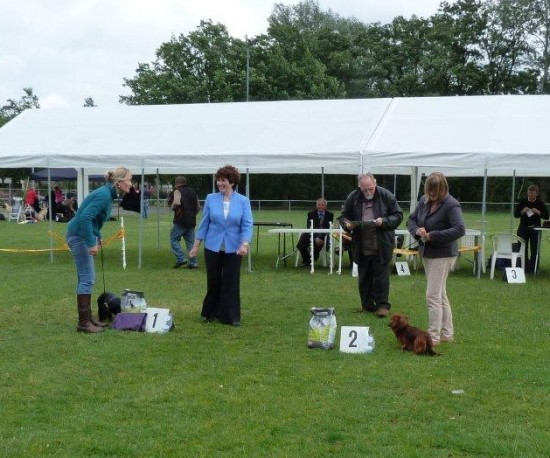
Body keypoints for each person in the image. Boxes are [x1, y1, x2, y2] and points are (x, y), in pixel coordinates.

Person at [66, 167, 133, 333]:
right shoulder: (104, 195)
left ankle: (88, 319)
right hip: (79, 236)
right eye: (129, 180)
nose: (131, 184)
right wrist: (91, 243)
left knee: (86, 277)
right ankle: (83, 323)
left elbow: (92, 219)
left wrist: (98, 234)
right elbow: (85, 218)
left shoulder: (106, 193)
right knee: (87, 278)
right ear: (119, 182)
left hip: (79, 234)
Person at [189, 165, 253, 327]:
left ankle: (231, 316)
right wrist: (196, 246)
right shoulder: (211, 198)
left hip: (234, 248)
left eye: (223, 180)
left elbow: (247, 224)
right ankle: (210, 313)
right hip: (212, 247)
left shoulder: (243, 201)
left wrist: (244, 244)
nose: (219, 183)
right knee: (213, 280)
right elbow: (204, 224)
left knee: (231, 282)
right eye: (218, 180)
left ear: (232, 182)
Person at [406, 172, 465, 345]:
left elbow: (460, 229)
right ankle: (447, 334)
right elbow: (411, 220)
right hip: (428, 253)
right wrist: (417, 230)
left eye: (434, 191)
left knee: (432, 295)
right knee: (441, 295)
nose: (431, 194)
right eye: (429, 190)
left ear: (443, 188)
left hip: (443, 254)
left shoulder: (451, 205)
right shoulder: (424, 201)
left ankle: (433, 336)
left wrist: (433, 235)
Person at [341, 173, 403, 317]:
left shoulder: (386, 195)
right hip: (361, 244)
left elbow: (398, 216)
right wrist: (347, 224)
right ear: (359, 187)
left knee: (381, 277)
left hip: (381, 244)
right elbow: (344, 216)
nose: (368, 192)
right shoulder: (353, 197)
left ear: (375, 183)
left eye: (371, 188)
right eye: (365, 190)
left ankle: (383, 306)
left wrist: (384, 221)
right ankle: (367, 305)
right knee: (364, 276)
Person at [514, 184, 549, 273]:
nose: (530, 195)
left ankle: (533, 268)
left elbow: (546, 216)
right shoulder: (523, 202)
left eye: (532, 193)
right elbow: (515, 215)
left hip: (535, 227)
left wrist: (538, 212)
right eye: (529, 193)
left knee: (534, 248)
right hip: (523, 227)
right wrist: (522, 211)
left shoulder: (540, 203)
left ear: (536, 194)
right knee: (522, 247)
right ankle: (524, 266)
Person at [167, 176, 200, 269]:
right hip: (192, 220)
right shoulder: (193, 191)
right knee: (190, 242)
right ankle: (193, 263)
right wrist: (193, 214)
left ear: (177, 183)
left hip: (181, 220)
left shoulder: (177, 191)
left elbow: (177, 202)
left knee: (174, 238)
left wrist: (172, 208)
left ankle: (181, 258)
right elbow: (198, 207)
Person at [296, 198, 334, 267]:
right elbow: (309, 227)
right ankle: (308, 260)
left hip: (323, 236)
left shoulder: (330, 215)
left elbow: (328, 229)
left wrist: (320, 238)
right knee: (301, 243)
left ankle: (308, 260)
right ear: (316, 206)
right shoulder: (311, 214)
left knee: (317, 245)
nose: (320, 206)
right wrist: (315, 238)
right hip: (312, 235)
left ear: (325, 206)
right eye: (318, 205)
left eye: (322, 205)